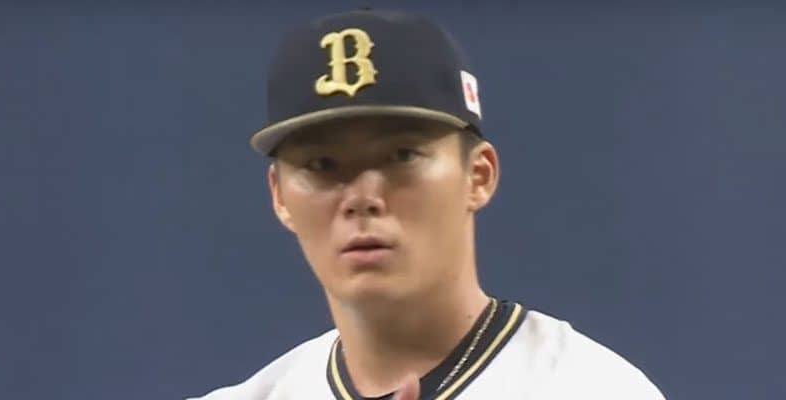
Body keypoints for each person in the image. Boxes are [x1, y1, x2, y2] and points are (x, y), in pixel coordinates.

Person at [190, 8, 665, 400]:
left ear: (478, 175)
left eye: (402, 156)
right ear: (279, 196)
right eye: (321, 165)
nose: (362, 198)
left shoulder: (589, 388)